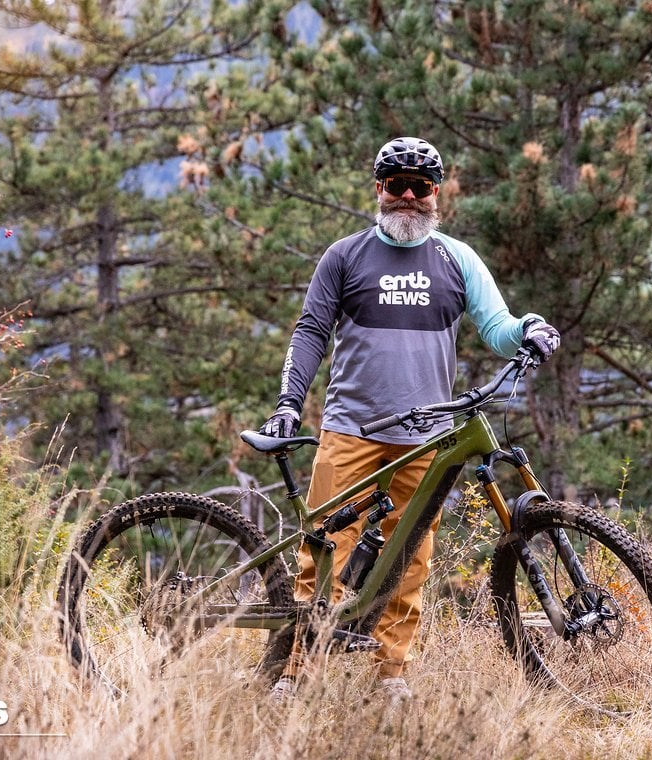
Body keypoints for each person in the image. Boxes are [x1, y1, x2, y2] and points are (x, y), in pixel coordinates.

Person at [259, 136, 561, 703]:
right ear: (378, 189)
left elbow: (496, 324)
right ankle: (296, 674)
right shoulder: (344, 256)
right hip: (350, 428)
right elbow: (309, 335)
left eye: (419, 186)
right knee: (323, 551)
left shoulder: (456, 259)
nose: (407, 196)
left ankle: (390, 675)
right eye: (395, 184)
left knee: (410, 555)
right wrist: (288, 403)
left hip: (424, 437)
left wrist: (528, 330)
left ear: (436, 193)